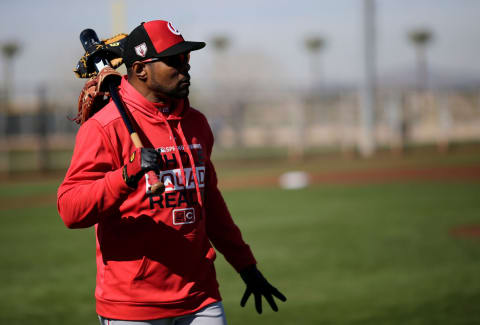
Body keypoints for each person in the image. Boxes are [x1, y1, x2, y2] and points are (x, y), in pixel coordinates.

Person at [57, 20, 286, 325]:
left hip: (200, 297)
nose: (185, 68)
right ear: (140, 70)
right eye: (174, 61)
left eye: (186, 59)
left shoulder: (197, 124)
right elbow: (71, 210)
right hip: (133, 306)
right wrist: (128, 174)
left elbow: (211, 205)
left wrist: (246, 266)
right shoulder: (104, 128)